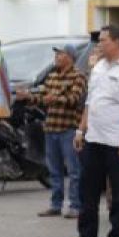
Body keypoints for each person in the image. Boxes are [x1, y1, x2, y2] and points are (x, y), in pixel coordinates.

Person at [71, 25, 119, 237]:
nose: (99, 44)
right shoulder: (99, 67)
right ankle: (87, 235)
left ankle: (115, 235)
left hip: (118, 142)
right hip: (93, 138)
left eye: (104, 40)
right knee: (88, 190)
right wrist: (80, 130)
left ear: (117, 42)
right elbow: (90, 102)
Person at [34, 44, 86, 218]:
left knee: (73, 170)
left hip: (68, 129)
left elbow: (75, 99)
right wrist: (28, 96)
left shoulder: (78, 76)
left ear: (70, 57)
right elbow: (42, 98)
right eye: (56, 54)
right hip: (51, 128)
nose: (56, 56)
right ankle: (55, 205)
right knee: (54, 170)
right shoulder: (52, 76)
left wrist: (54, 98)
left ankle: (75, 206)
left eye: (60, 54)